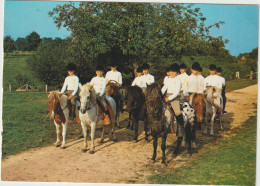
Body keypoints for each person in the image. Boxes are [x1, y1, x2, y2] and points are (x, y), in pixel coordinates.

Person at [161, 63, 184, 137]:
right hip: (166, 96)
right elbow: (164, 88)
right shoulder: (168, 79)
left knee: (177, 112)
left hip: (174, 98)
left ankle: (180, 127)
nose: (171, 73)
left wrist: (169, 98)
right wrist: (160, 95)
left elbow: (177, 92)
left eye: (173, 72)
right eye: (170, 71)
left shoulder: (178, 80)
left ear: (177, 72)